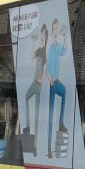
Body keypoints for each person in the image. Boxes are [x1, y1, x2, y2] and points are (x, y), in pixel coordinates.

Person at [46, 18, 69, 158]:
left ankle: (61, 122)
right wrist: (49, 80)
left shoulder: (57, 46)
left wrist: (65, 35)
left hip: (57, 81)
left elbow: (65, 51)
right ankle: (49, 149)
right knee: (49, 118)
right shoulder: (50, 49)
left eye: (56, 29)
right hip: (52, 84)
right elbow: (47, 67)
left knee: (65, 91)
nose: (56, 31)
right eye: (54, 29)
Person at [22, 23, 48, 134]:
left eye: (43, 34)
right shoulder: (39, 49)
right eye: (41, 33)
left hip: (39, 83)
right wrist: (33, 42)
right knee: (27, 97)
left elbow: (46, 67)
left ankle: (36, 135)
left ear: (46, 37)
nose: (42, 36)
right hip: (34, 81)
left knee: (37, 109)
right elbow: (32, 57)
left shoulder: (45, 51)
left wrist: (42, 80)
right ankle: (28, 127)